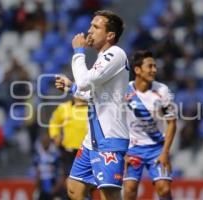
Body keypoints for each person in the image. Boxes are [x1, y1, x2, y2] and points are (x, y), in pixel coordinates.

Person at [55, 10, 129, 200]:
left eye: (96, 27)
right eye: (90, 26)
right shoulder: (102, 59)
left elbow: (85, 82)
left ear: (110, 35)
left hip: (109, 138)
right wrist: (72, 89)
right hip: (93, 139)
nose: (89, 31)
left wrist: (78, 52)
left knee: (109, 195)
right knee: (74, 188)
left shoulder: (115, 54)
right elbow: (94, 94)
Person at [123, 50, 177, 200]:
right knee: (129, 190)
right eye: (150, 66)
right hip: (133, 148)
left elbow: (172, 123)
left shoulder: (162, 91)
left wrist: (165, 152)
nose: (154, 70)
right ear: (137, 70)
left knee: (164, 190)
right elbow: (115, 122)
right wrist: (122, 152)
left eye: (155, 66)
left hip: (157, 148)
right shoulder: (124, 91)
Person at [49, 97, 88, 198]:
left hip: (87, 152)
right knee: (70, 182)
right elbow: (54, 121)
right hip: (69, 152)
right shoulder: (64, 108)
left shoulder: (92, 108)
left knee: (86, 183)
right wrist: (55, 135)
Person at [33, 133, 62, 200]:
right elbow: (37, 171)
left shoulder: (55, 154)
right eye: (43, 141)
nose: (45, 142)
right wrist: (37, 187)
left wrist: (56, 187)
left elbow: (60, 172)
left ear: (49, 141)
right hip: (42, 186)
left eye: (46, 141)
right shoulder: (38, 154)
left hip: (53, 185)